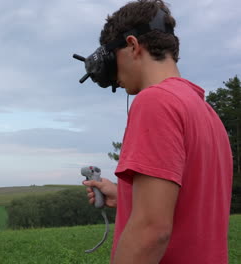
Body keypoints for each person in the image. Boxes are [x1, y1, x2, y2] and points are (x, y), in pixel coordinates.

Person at [82, 0, 233, 263]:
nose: (114, 75)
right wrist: (125, 195)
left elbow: (152, 230)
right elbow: (191, 203)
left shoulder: (155, 101)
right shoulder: (205, 111)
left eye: (112, 58)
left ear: (132, 45)